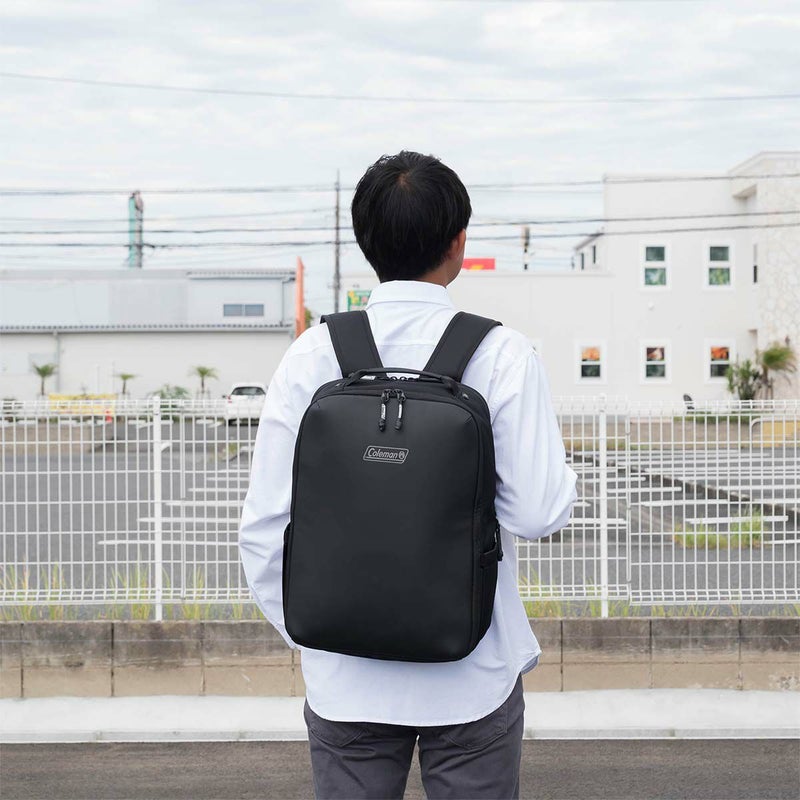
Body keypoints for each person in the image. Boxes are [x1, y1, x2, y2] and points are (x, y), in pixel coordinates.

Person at [239, 151, 578, 799]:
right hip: (472, 672)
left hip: (345, 681)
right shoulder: (502, 354)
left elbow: (264, 528)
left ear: (366, 242)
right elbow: (538, 514)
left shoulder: (312, 354)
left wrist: (318, 633)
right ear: (458, 243)